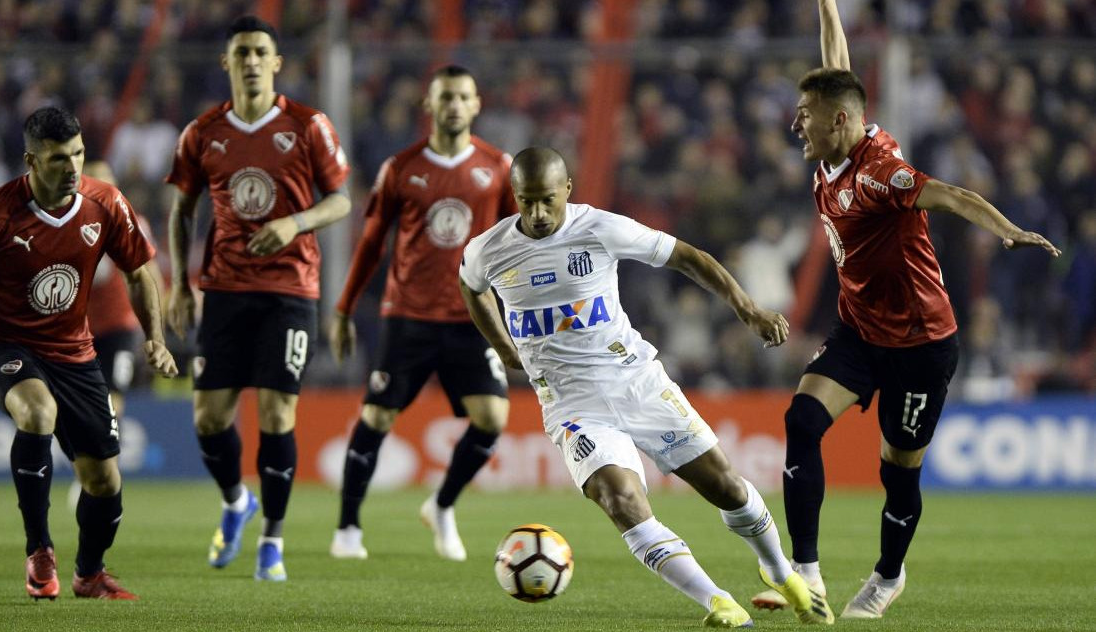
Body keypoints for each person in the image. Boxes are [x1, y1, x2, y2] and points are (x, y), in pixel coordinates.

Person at [750, 0, 1062, 620]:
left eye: (804, 117)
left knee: (898, 468)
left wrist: (1007, 230)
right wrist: (828, 5)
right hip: (861, 330)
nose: (795, 125)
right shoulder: (833, 145)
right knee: (802, 421)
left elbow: (950, 194)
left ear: (839, 121)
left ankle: (889, 575)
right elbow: (835, 64)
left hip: (921, 344)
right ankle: (804, 576)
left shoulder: (878, 174)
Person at [460, 147, 834, 628]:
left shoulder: (599, 228)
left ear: (567, 191)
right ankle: (717, 600)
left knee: (726, 487)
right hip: (572, 405)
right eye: (526, 201)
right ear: (514, 196)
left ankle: (779, 571)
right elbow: (471, 287)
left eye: (546, 201)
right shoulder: (488, 249)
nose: (535, 214)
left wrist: (749, 310)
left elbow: (687, 257)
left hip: (636, 381)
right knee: (621, 500)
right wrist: (503, 346)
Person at [0, 106, 178, 600]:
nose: (73, 168)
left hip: (74, 352)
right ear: (31, 161)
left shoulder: (105, 202)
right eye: (60, 158)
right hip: (4, 346)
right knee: (38, 412)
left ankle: (89, 573)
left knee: (104, 481)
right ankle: (40, 552)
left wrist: (155, 337)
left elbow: (138, 273)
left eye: (79, 155)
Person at [166, 15, 351, 582]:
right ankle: (234, 501)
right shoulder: (202, 133)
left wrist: (296, 223)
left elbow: (341, 200)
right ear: (227, 62)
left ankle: (272, 539)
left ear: (276, 63)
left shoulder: (307, 125)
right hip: (223, 287)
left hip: (290, 289)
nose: (250, 61)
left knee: (276, 412)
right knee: (208, 417)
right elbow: (183, 210)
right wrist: (179, 283)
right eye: (241, 51)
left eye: (260, 52)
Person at [328, 65, 516, 562]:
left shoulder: (498, 167)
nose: (454, 104)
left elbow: (519, 243)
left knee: (492, 417)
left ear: (476, 105)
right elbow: (370, 244)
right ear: (429, 106)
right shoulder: (400, 168)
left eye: (463, 96)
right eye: (446, 97)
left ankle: (443, 504)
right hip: (407, 315)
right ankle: (347, 528)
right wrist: (345, 309)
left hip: (471, 315)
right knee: (377, 414)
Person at [66, 160, 148, 512]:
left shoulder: (130, 222)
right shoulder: (68, 224)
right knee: (81, 407)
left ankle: (103, 470)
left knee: (113, 401)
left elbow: (136, 275)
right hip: (81, 329)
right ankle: (89, 470)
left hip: (120, 327)